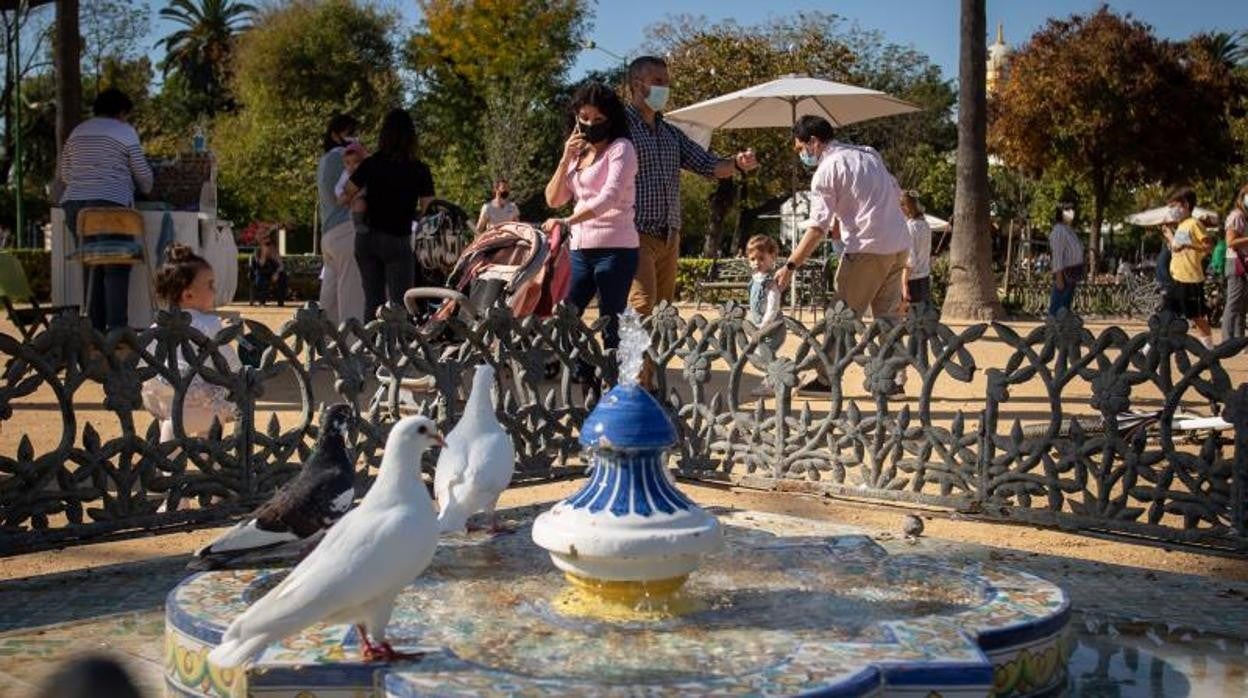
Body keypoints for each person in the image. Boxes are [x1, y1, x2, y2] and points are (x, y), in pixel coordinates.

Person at [774, 115, 911, 393]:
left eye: (801, 148)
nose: (802, 155)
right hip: (898, 243)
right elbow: (895, 192)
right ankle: (893, 378)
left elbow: (816, 228)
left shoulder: (826, 170)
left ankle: (825, 378)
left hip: (866, 248)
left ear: (814, 142)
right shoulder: (869, 153)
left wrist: (790, 266)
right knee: (888, 317)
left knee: (841, 315)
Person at [624, 55, 759, 318]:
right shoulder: (620, 128)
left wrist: (737, 164)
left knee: (663, 313)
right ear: (637, 84)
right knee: (641, 304)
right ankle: (627, 360)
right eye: (658, 81)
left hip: (669, 235)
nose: (665, 88)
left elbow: (707, 163)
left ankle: (652, 361)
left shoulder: (670, 133)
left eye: (667, 82)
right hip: (634, 232)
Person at [543, 81, 639, 357]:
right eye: (583, 118)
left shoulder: (622, 149)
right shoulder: (577, 155)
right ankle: (585, 372)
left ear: (611, 120)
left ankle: (613, 387)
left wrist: (566, 222)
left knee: (611, 323)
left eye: (597, 119)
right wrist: (565, 159)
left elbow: (608, 198)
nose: (589, 124)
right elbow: (554, 199)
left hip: (616, 249)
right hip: (580, 250)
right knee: (566, 316)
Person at [55, 87, 153, 332]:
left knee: (93, 262)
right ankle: (118, 329)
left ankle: (95, 330)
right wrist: (147, 187)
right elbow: (142, 173)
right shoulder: (125, 131)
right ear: (121, 112)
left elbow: (65, 174)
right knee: (117, 264)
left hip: (75, 207)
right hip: (111, 205)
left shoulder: (77, 132)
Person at [343, 108, 436, 320]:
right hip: (397, 237)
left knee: (372, 300)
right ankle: (395, 349)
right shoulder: (420, 169)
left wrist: (363, 202)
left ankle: (368, 346)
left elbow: (348, 191)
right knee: (400, 302)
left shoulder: (371, 163)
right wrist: (411, 214)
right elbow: (428, 209)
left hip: (367, 237)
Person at [141, 244, 240, 442]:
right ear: (188, 295)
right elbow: (226, 358)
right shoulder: (210, 323)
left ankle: (168, 463)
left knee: (173, 425)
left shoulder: (159, 325)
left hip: (168, 398)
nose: (215, 290)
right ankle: (211, 460)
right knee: (213, 422)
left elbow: (145, 358)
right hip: (202, 399)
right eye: (210, 285)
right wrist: (238, 374)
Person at [316, 113, 364, 325]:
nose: (354, 138)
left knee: (330, 298)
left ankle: (325, 345)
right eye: (350, 132)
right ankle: (353, 345)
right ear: (336, 135)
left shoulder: (325, 160)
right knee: (351, 296)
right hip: (347, 229)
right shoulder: (343, 157)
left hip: (329, 233)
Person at [1162, 186, 1215, 348]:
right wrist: (1169, 236)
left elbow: (1208, 246)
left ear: (1185, 205)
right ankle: (1149, 348)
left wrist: (1191, 246)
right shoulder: (1181, 225)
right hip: (1177, 277)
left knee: (1197, 317)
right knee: (1167, 313)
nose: (1172, 211)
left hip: (1191, 279)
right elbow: (1178, 248)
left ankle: (1209, 350)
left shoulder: (1194, 224)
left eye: (1174, 206)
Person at [1221, 183, 1248, 343]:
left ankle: (1239, 340)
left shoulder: (1244, 216)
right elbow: (1230, 241)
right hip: (1236, 263)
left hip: (1243, 264)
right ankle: (1227, 340)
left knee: (1242, 304)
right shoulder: (1237, 216)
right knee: (1234, 302)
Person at [1048, 202, 1085, 316]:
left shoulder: (1069, 230)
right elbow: (1058, 256)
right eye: (1067, 210)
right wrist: (1059, 278)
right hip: (1064, 275)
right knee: (1058, 308)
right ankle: (1053, 330)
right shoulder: (1059, 231)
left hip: (1072, 274)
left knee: (1065, 309)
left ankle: (1062, 331)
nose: (1071, 213)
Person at [899, 190, 932, 308]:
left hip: (912, 280)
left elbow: (910, 260)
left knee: (908, 320)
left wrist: (904, 284)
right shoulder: (926, 225)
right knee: (922, 319)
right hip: (925, 277)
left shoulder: (909, 228)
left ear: (905, 207)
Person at [336, 141, 370, 236]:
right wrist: (341, 195)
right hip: (355, 201)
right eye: (348, 163)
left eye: (356, 162)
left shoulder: (365, 172)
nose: (351, 166)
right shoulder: (345, 175)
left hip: (366, 198)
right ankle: (358, 223)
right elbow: (338, 187)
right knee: (360, 203)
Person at [249, 227, 288, 306]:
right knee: (261, 280)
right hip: (260, 273)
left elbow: (281, 265)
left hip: (272, 273)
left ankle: (281, 301)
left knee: (283, 277)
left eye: (268, 240)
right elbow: (261, 265)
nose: (267, 242)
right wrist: (264, 253)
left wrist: (276, 273)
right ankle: (262, 301)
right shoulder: (257, 251)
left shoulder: (274, 250)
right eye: (265, 240)